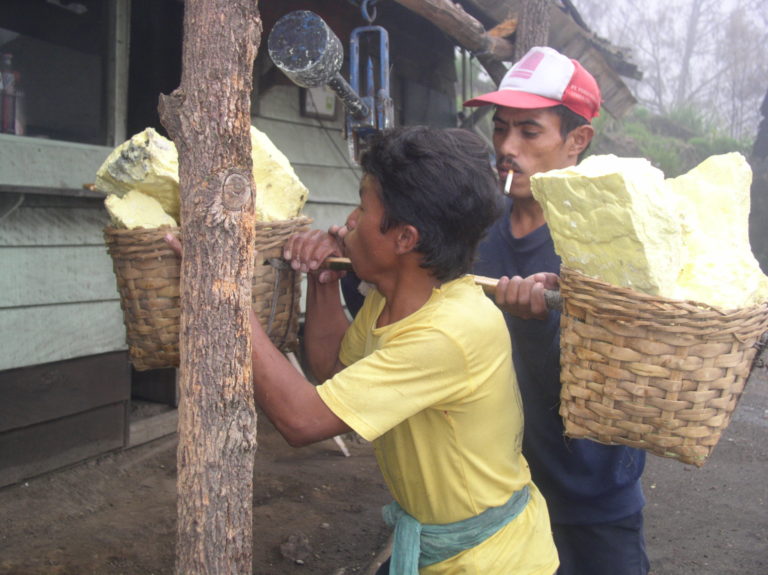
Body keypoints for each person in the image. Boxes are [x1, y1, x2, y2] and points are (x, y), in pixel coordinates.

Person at [172, 126, 559, 574]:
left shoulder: (450, 331)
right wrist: (324, 283)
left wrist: (222, 291)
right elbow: (332, 370)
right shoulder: (393, 299)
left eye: (361, 205)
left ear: (405, 239)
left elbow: (303, 420)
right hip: (445, 548)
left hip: (490, 561)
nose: (349, 221)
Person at [463, 46, 650, 575]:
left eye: (528, 132)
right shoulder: (475, 232)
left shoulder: (609, 246)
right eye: (500, 129)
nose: (505, 147)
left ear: (577, 140)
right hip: (494, 496)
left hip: (590, 498)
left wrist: (540, 325)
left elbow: (623, 380)